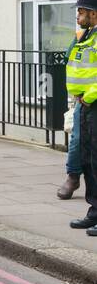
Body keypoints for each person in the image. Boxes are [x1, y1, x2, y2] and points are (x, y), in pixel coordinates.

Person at [64, 0, 97, 236]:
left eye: (82, 11)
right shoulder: (86, 36)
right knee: (88, 160)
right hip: (85, 105)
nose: (78, 15)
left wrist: (89, 95)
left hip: (93, 103)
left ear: (93, 13)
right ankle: (94, 211)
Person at [59, 24, 86, 199]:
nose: (78, 16)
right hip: (85, 98)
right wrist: (77, 92)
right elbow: (70, 62)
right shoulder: (82, 35)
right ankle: (73, 176)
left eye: (82, 11)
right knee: (77, 138)